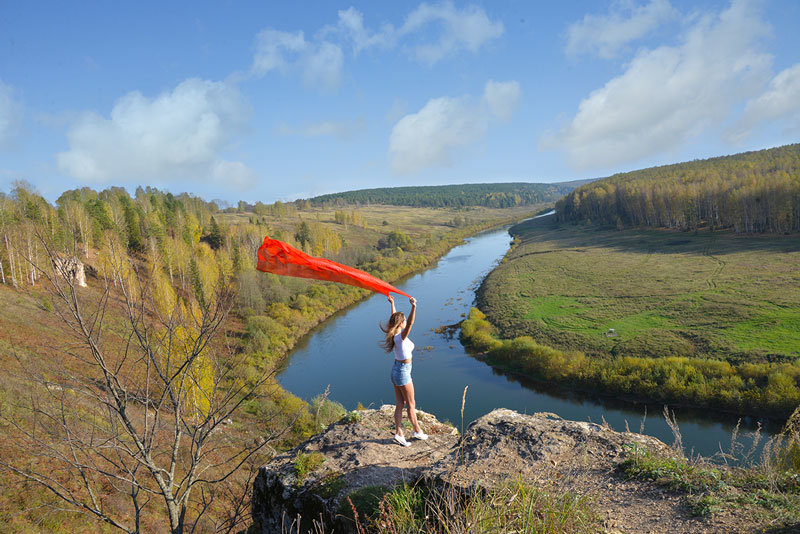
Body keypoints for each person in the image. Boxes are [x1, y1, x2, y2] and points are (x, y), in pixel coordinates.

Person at [381, 295, 428, 447]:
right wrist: (414, 307)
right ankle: (417, 431)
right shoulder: (400, 337)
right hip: (402, 372)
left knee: (400, 404)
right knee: (411, 404)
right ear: (401, 323)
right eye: (404, 321)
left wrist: (392, 303)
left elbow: (393, 318)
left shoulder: (394, 334)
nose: (406, 322)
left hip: (396, 370)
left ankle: (399, 433)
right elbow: (411, 323)